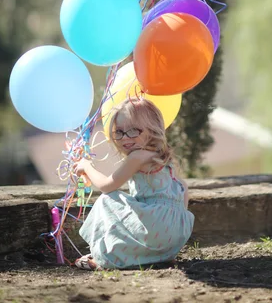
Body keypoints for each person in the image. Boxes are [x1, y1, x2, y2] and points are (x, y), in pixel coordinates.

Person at [74, 97, 194, 270]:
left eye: (133, 130)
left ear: (151, 130)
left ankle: (105, 259)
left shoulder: (137, 157)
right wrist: (175, 218)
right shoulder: (163, 158)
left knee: (107, 200)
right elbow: (184, 188)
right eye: (119, 132)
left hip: (157, 227)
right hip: (176, 233)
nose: (125, 138)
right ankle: (156, 255)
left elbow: (106, 185)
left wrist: (87, 166)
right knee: (132, 206)